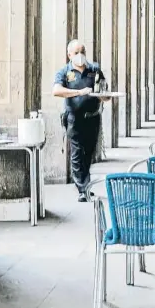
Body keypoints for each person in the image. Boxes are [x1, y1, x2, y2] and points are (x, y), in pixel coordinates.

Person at [52, 39, 111, 202]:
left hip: (92, 118)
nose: (80, 55)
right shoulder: (64, 72)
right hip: (74, 119)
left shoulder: (94, 70)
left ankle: (84, 184)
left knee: (88, 152)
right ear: (69, 55)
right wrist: (78, 92)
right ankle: (82, 189)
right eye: (76, 52)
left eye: (82, 51)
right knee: (77, 153)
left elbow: (104, 89)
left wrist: (104, 97)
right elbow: (56, 90)